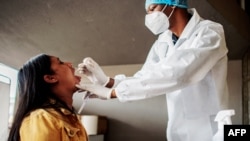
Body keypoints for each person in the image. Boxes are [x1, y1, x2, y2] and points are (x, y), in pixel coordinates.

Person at [76, 0, 229, 141]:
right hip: (178, 129)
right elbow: (146, 77)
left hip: (212, 128)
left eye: (152, 9)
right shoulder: (162, 42)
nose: (149, 17)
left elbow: (179, 74)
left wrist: (113, 93)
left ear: (173, 3)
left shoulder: (209, 32)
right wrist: (107, 82)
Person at [8, 54, 88, 141]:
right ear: (50, 78)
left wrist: (105, 88)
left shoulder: (69, 118)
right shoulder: (42, 119)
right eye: (60, 62)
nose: (69, 64)